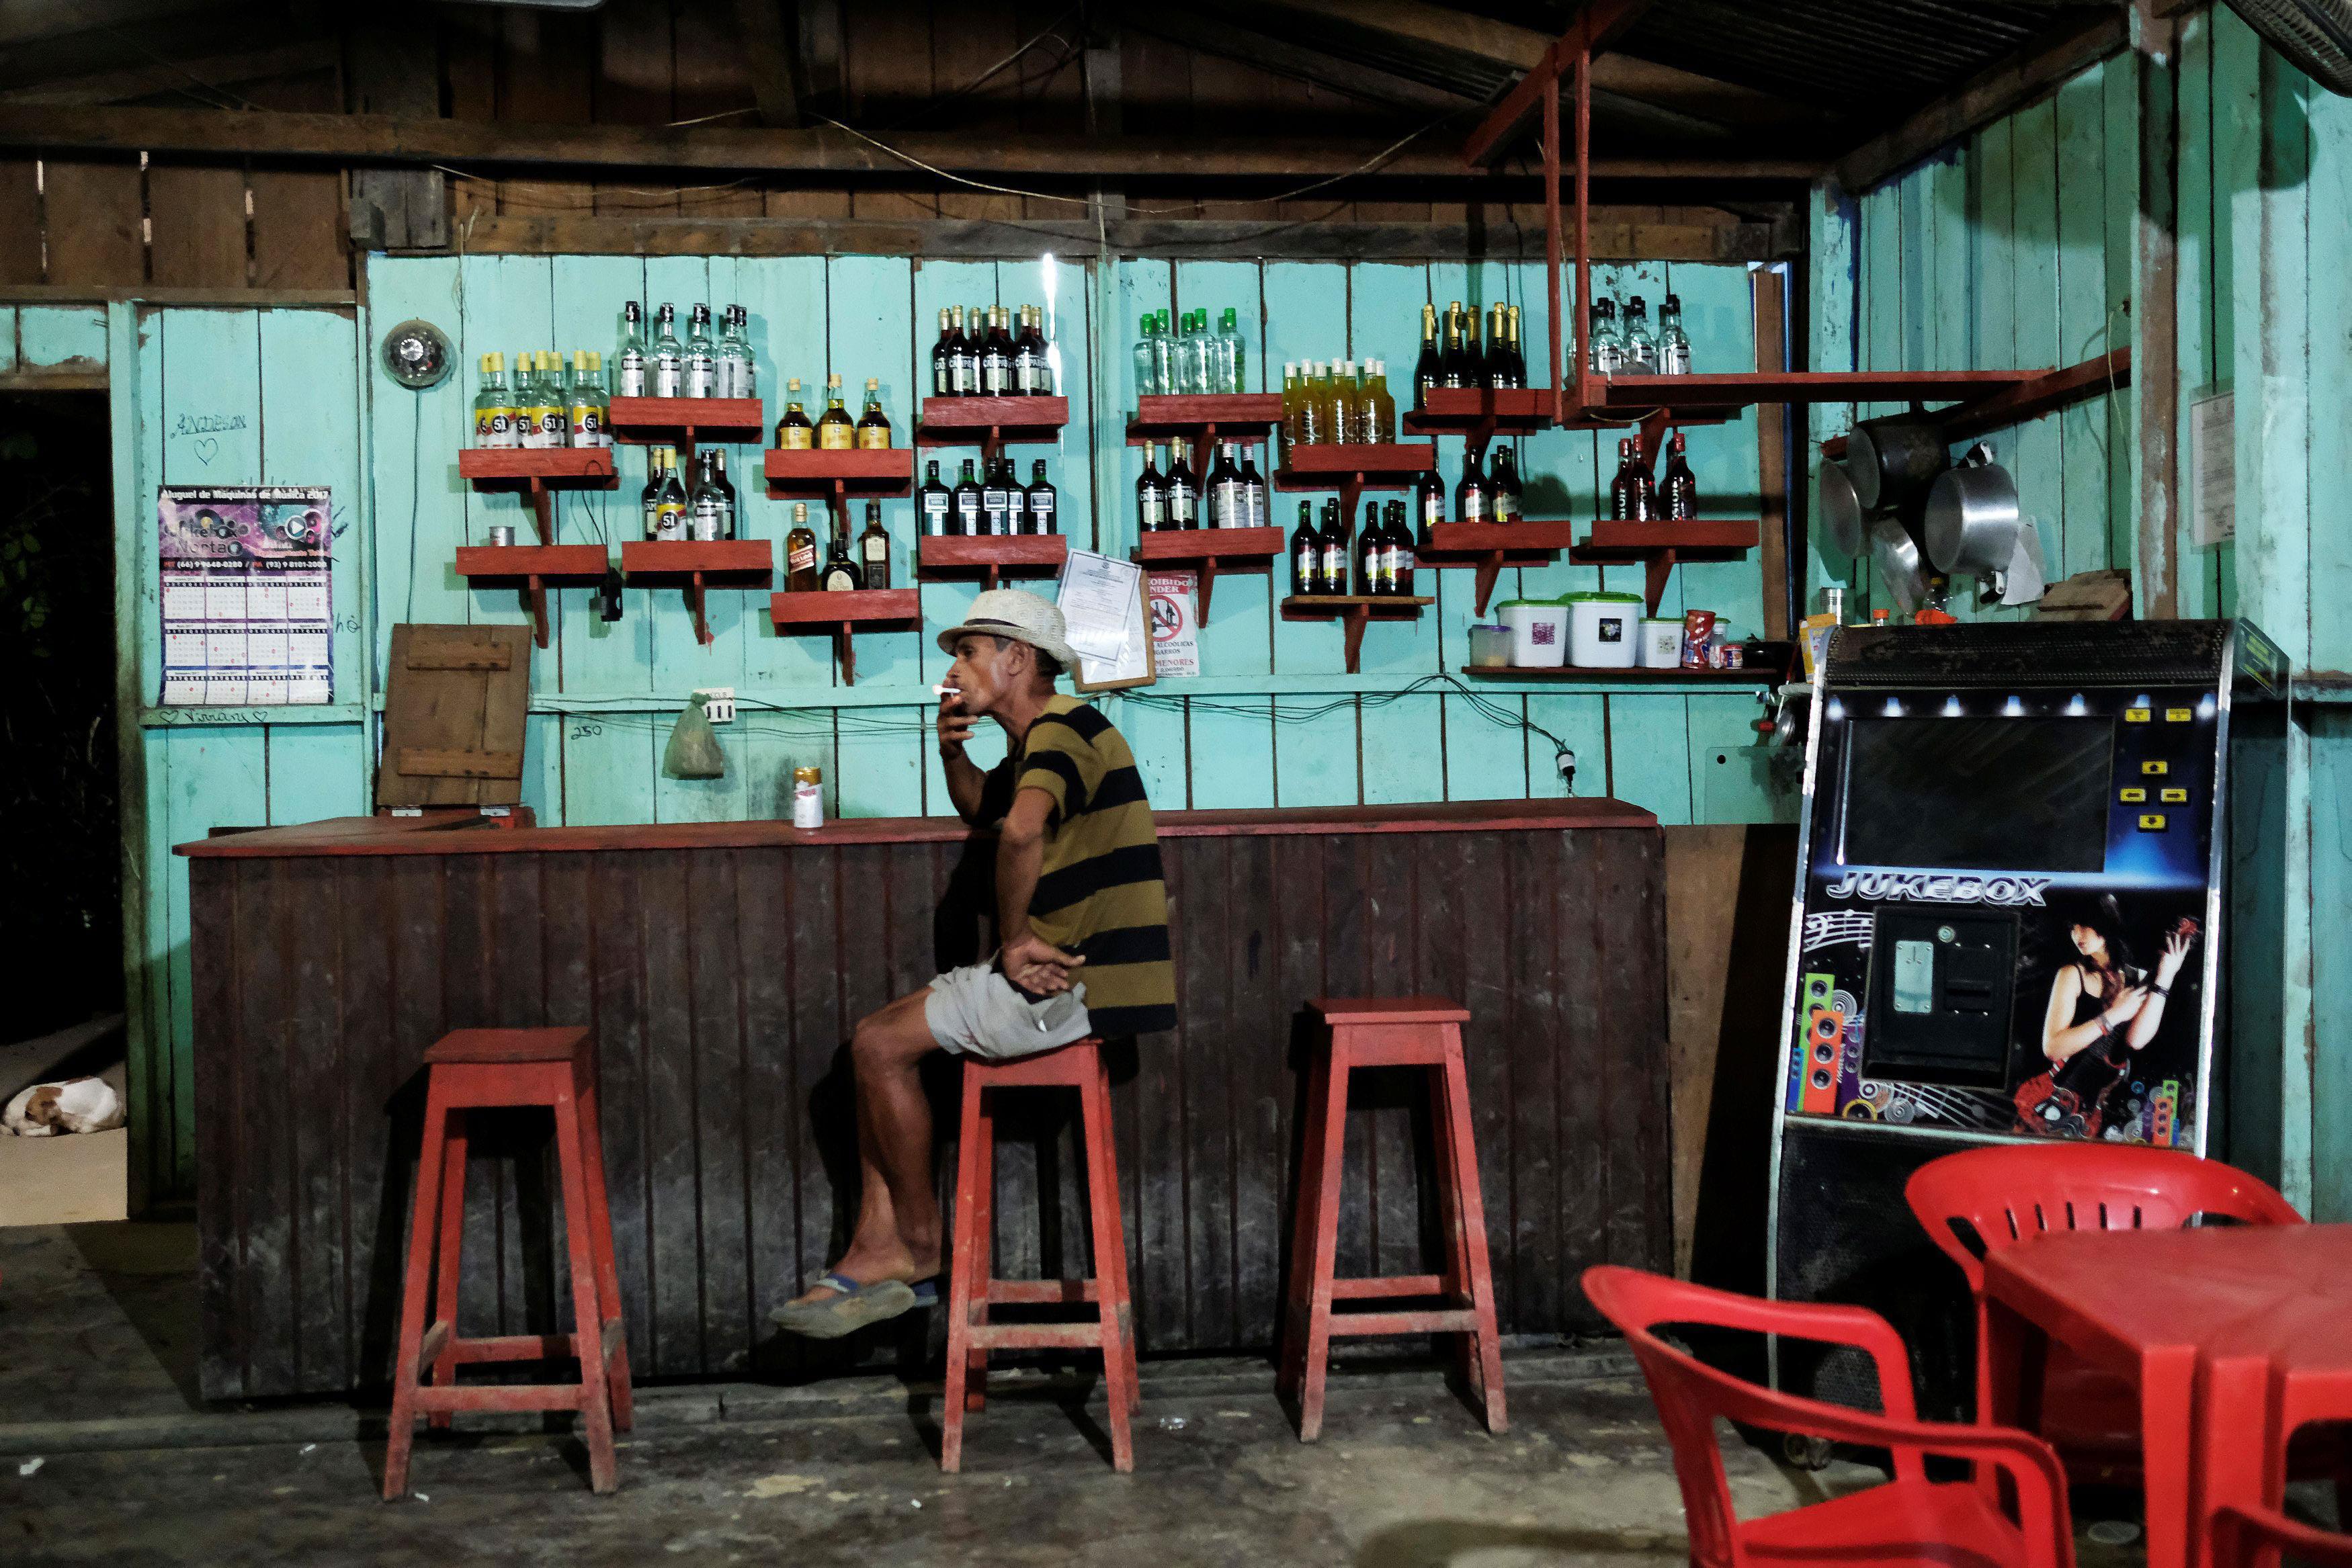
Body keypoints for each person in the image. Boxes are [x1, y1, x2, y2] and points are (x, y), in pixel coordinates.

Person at [773, 589, 1175, 1338]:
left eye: (967, 651)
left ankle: (920, 1250)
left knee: (875, 1046)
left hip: (1078, 979)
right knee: (873, 1046)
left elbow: (1019, 835)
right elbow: (983, 812)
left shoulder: (1062, 727)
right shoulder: (1043, 742)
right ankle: (877, 1246)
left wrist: (1017, 940)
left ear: (1017, 658)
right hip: (1087, 973)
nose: (954, 669)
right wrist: (951, 749)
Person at [2015, 899, 2196, 1137]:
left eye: (2085, 925)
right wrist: (2113, 1016)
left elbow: (2136, 1041)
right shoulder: (2072, 974)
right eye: (2073, 927)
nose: (2077, 934)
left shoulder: (2135, 978)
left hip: (2090, 1111)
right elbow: (2053, 1047)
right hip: (2050, 1095)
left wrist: (2166, 975)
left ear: (2105, 925)